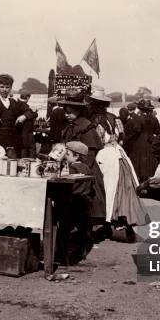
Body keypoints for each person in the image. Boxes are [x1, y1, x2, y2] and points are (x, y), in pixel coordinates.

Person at [60, 94, 107, 228]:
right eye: (65, 112)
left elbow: (90, 153)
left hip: (85, 169)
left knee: (86, 203)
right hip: (74, 166)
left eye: (70, 112)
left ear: (78, 111)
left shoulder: (86, 126)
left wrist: (80, 170)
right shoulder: (71, 125)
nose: (67, 115)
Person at [55, 141, 95, 264]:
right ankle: (81, 252)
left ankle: (62, 255)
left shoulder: (72, 168)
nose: (65, 156)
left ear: (76, 156)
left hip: (72, 203)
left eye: (67, 154)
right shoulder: (87, 168)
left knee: (63, 229)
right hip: (85, 204)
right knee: (82, 231)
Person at [123, 99, 159, 182]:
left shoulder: (137, 119)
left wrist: (126, 141)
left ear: (139, 109)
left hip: (138, 144)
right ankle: (149, 184)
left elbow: (136, 131)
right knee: (149, 166)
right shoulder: (154, 119)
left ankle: (140, 185)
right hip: (150, 144)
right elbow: (158, 132)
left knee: (139, 167)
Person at [18, 89, 37, 158]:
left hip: (20, 132)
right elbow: (32, 114)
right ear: (28, 97)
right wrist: (35, 112)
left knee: (23, 148)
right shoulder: (25, 106)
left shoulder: (17, 104)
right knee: (30, 149)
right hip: (27, 132)